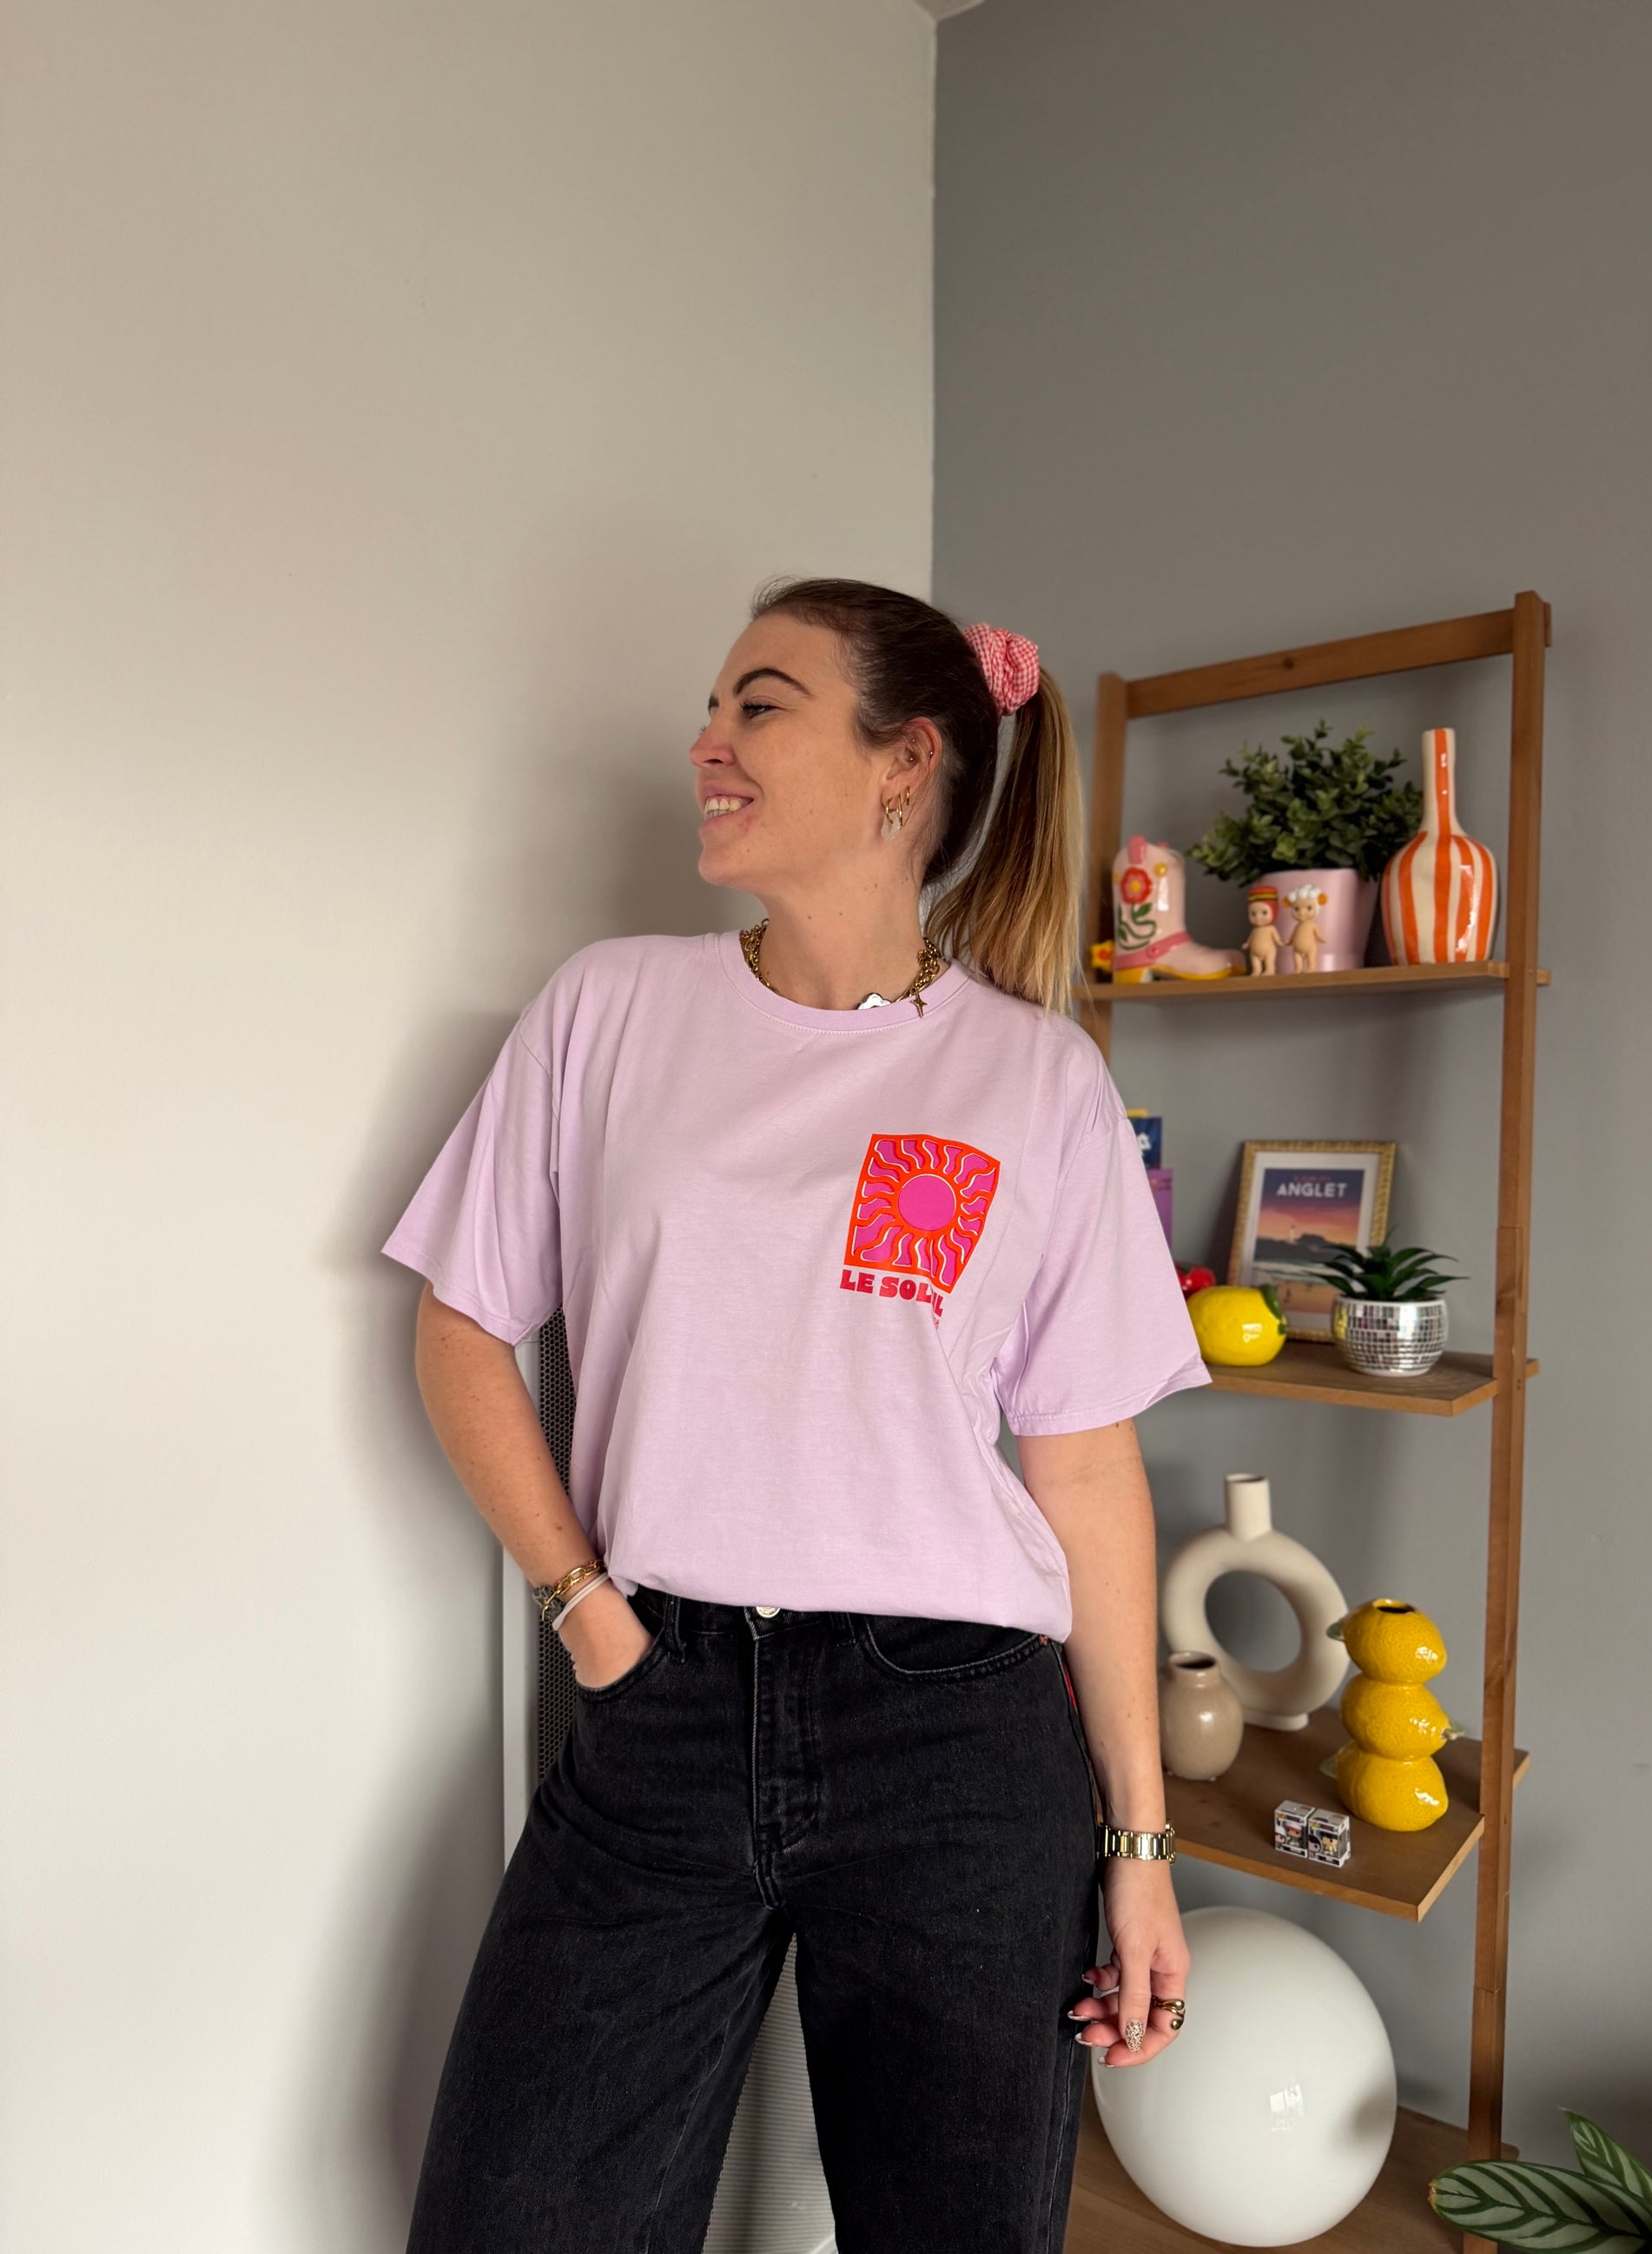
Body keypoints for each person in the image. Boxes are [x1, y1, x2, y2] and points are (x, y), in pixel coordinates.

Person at [382, 577, 1209, 2254]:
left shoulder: (1036, 1079)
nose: (706, 742)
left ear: (905, 763)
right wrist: (587, 1612)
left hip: (959, 1740)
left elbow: (1084, 1472)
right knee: (514, 2215)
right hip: (662, 1703)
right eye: (714, 708)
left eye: (757, 705)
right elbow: (460, 1328)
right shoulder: (611, 1008)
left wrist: (1138, 1840)